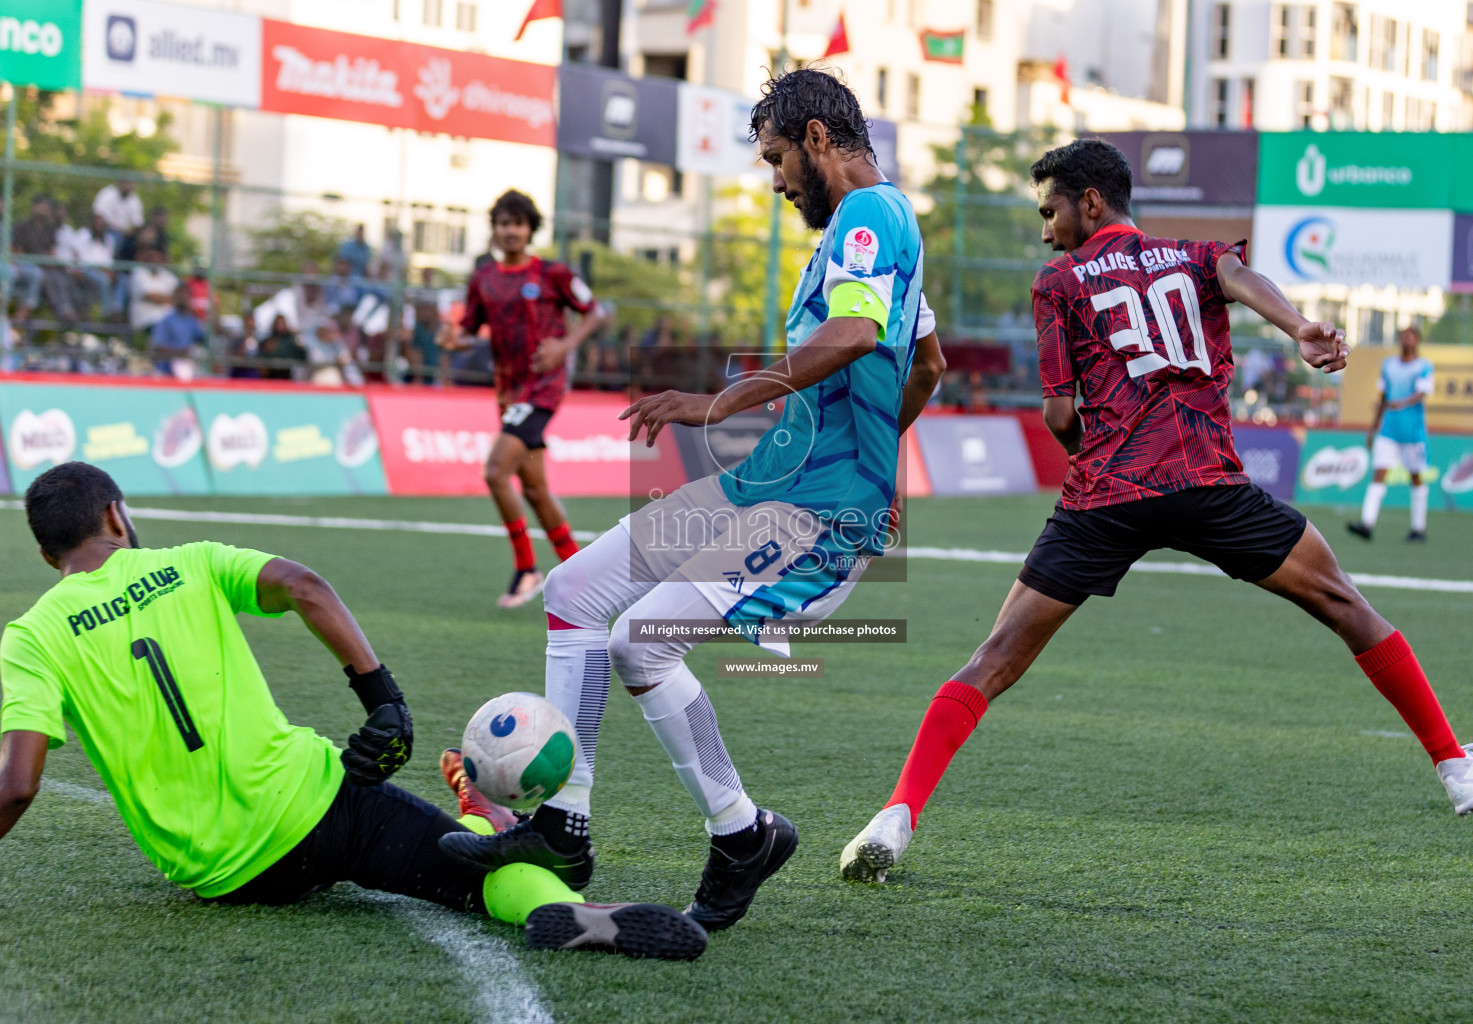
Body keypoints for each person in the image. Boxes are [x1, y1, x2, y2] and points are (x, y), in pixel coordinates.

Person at [837, 139, 1473, 885]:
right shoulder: (1195, 256)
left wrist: (1099, 452)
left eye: (1050, 209)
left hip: (1106, 495)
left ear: (1089, 202)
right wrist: (1300, 330)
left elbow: (1060, 415)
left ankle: (897, 815)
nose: (1045, 229)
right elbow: (1239, 275)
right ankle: (1456, 768)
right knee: (1345, 603)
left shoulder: (1058, 281)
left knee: (992, 659)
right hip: (1207, 482)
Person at [438, 69, 946, 933]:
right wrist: (875, 452)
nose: (779, 180)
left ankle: (736, 832)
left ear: (820, 137)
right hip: (766, 488)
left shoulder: (870, 216)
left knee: (642, 641)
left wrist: (726, 404)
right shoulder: (878, 230)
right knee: (574, 591)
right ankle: (566, 826)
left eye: (781, 158)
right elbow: (924, 361)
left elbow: (856, 333)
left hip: (816, 514)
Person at [0, 463, 707, 960]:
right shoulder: (190, 562)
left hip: (223, 873)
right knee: (477, 874)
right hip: (323, 808)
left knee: (458, 836)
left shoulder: (32, 637)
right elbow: (305, 587)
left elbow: (18, 785)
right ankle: (568, 911)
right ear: (116, 515)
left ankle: (476, 812)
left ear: (44, 553)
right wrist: (384, 703)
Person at [444, 189, 609, 608]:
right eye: (503, 223)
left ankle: (526, 569)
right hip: (508, 392)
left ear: (529, 229)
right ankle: (580, 573)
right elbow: (468, 331)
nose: (510, 230)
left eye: (517, 223)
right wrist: (453, 339)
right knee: (534, 489)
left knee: (496, 471)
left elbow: (595, 312)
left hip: (544, 387)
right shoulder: (483, 280)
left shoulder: (553, 273)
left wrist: (564, 346)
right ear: (495, 231)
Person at [1349, 326, 1433, 542]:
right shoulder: (1388, 365)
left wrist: (1399, 403)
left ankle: (1418, 528)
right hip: (1388, 431)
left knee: (1415, 477)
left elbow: (1421, 394)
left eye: (1411, 336)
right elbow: (1383, 398)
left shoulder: (1423, 366)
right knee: (1378, 474)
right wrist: (1372, 429)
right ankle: (1367, 524)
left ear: (1417, 341)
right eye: (1404, 336)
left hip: (1413, 433)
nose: (1407, 340)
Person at [149, 285, 206, 375]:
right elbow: (158, 349)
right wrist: (181, 353)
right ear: (174, 297)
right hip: (167, 370)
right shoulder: (165, 321)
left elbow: (203, 339)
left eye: (185, 295)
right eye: (180, 295)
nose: (182, 298)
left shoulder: (192, 320)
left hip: (189, 367)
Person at [92, 179, 144, 251]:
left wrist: (129, 232)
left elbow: (138, 223)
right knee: (113, 239)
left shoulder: (134, 200)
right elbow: (98, 214)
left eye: (129, 184)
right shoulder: (108, 193)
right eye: (124, 183)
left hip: (125, 234)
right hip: (106, 229)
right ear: (119, 183)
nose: (126, 187)